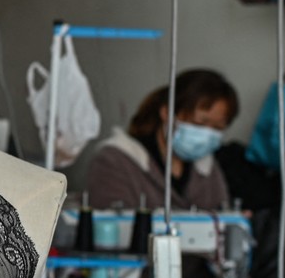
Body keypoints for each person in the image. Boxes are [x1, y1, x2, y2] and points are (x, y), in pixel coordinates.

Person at [86, 68, 239, 211]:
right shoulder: (116, 159)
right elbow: (109, 224)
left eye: (217, 128)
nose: (206, 134)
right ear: (167, 113)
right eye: (198, 124)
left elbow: (221, 215)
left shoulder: (206, 167)